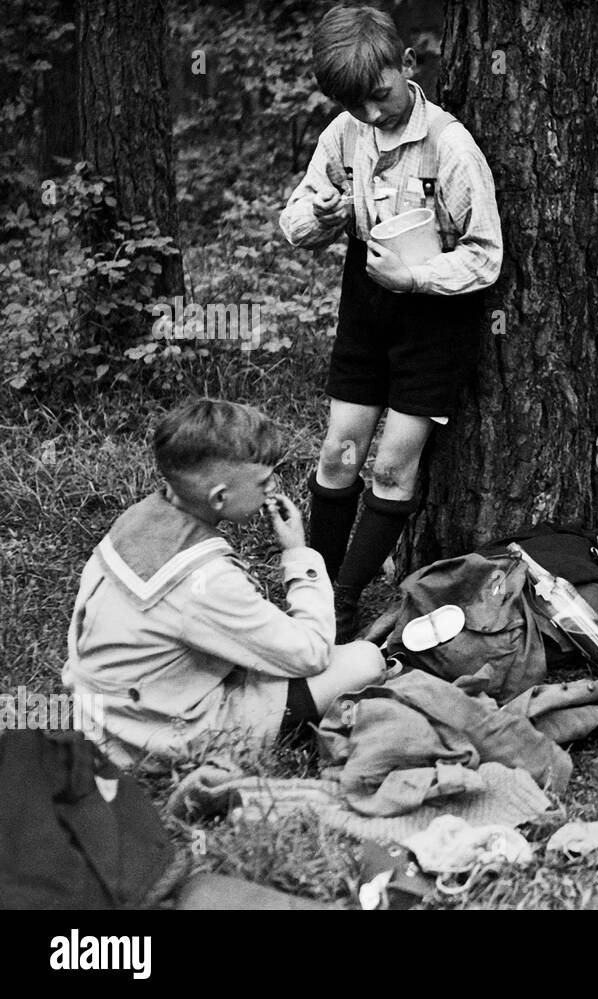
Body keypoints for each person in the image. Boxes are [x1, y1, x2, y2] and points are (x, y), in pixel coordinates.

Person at [279, 4, 503, 640]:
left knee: (390, 468)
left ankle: (345, 603)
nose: (373, 115)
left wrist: (418, 278)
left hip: (434, 320)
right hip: (366, 307)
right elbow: (297, 218)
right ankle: (315, 592)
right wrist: (316, 220)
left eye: (380, 96)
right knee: (339, 453)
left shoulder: (450, 146)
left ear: (406, 65)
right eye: (357, 106)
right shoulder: (343, 134)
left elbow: (486, 255)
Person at [63, 400, 385, 770]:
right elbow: (311, 653)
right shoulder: (207, 581)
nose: (274, 486)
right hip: (154, 735)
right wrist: (299, 554)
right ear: (219, 497)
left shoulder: (138, 518)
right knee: (364, 660)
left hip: (107, 709)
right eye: (264, 481)